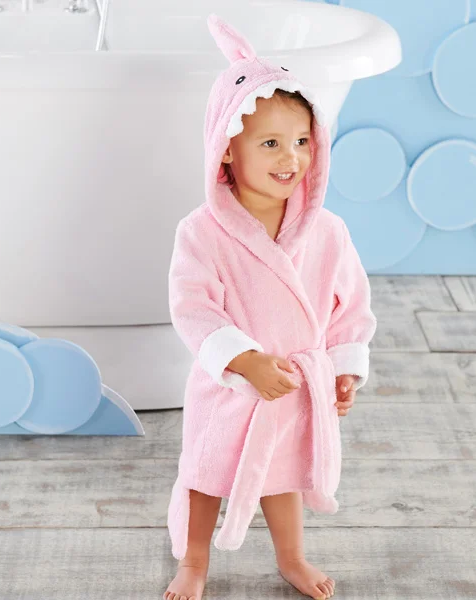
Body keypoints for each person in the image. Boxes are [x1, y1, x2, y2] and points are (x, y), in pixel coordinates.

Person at [164, 14, 377, 600]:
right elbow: (193, 307)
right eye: (270, 143)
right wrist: (243, 360)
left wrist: (343, 367)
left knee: (283, 476)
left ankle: (292, 557)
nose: (291, 158)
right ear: (225, 152)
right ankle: (194, 561)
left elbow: (350, 305)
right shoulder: (202, 232)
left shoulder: (327, 231)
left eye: (302, 141)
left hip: (296, 385)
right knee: (206, 474)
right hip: (231, 385)